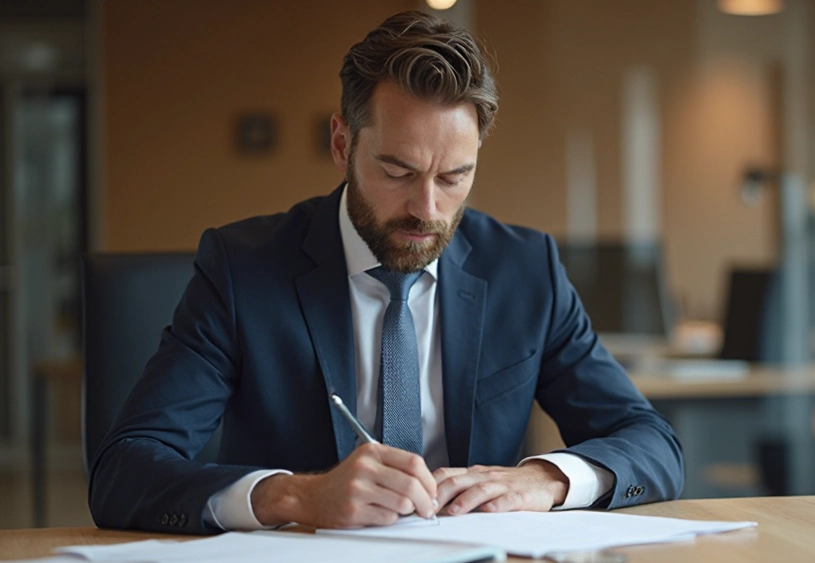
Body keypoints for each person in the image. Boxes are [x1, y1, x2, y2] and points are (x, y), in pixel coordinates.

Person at [89, 10, 683, 535]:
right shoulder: (243, 271)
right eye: (397, 172)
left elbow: (652, 443)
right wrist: (295, 495)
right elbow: (124, 469)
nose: (427, 209)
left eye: (453, 177)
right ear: (342, 142)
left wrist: (547, 480)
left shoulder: (525, 271)